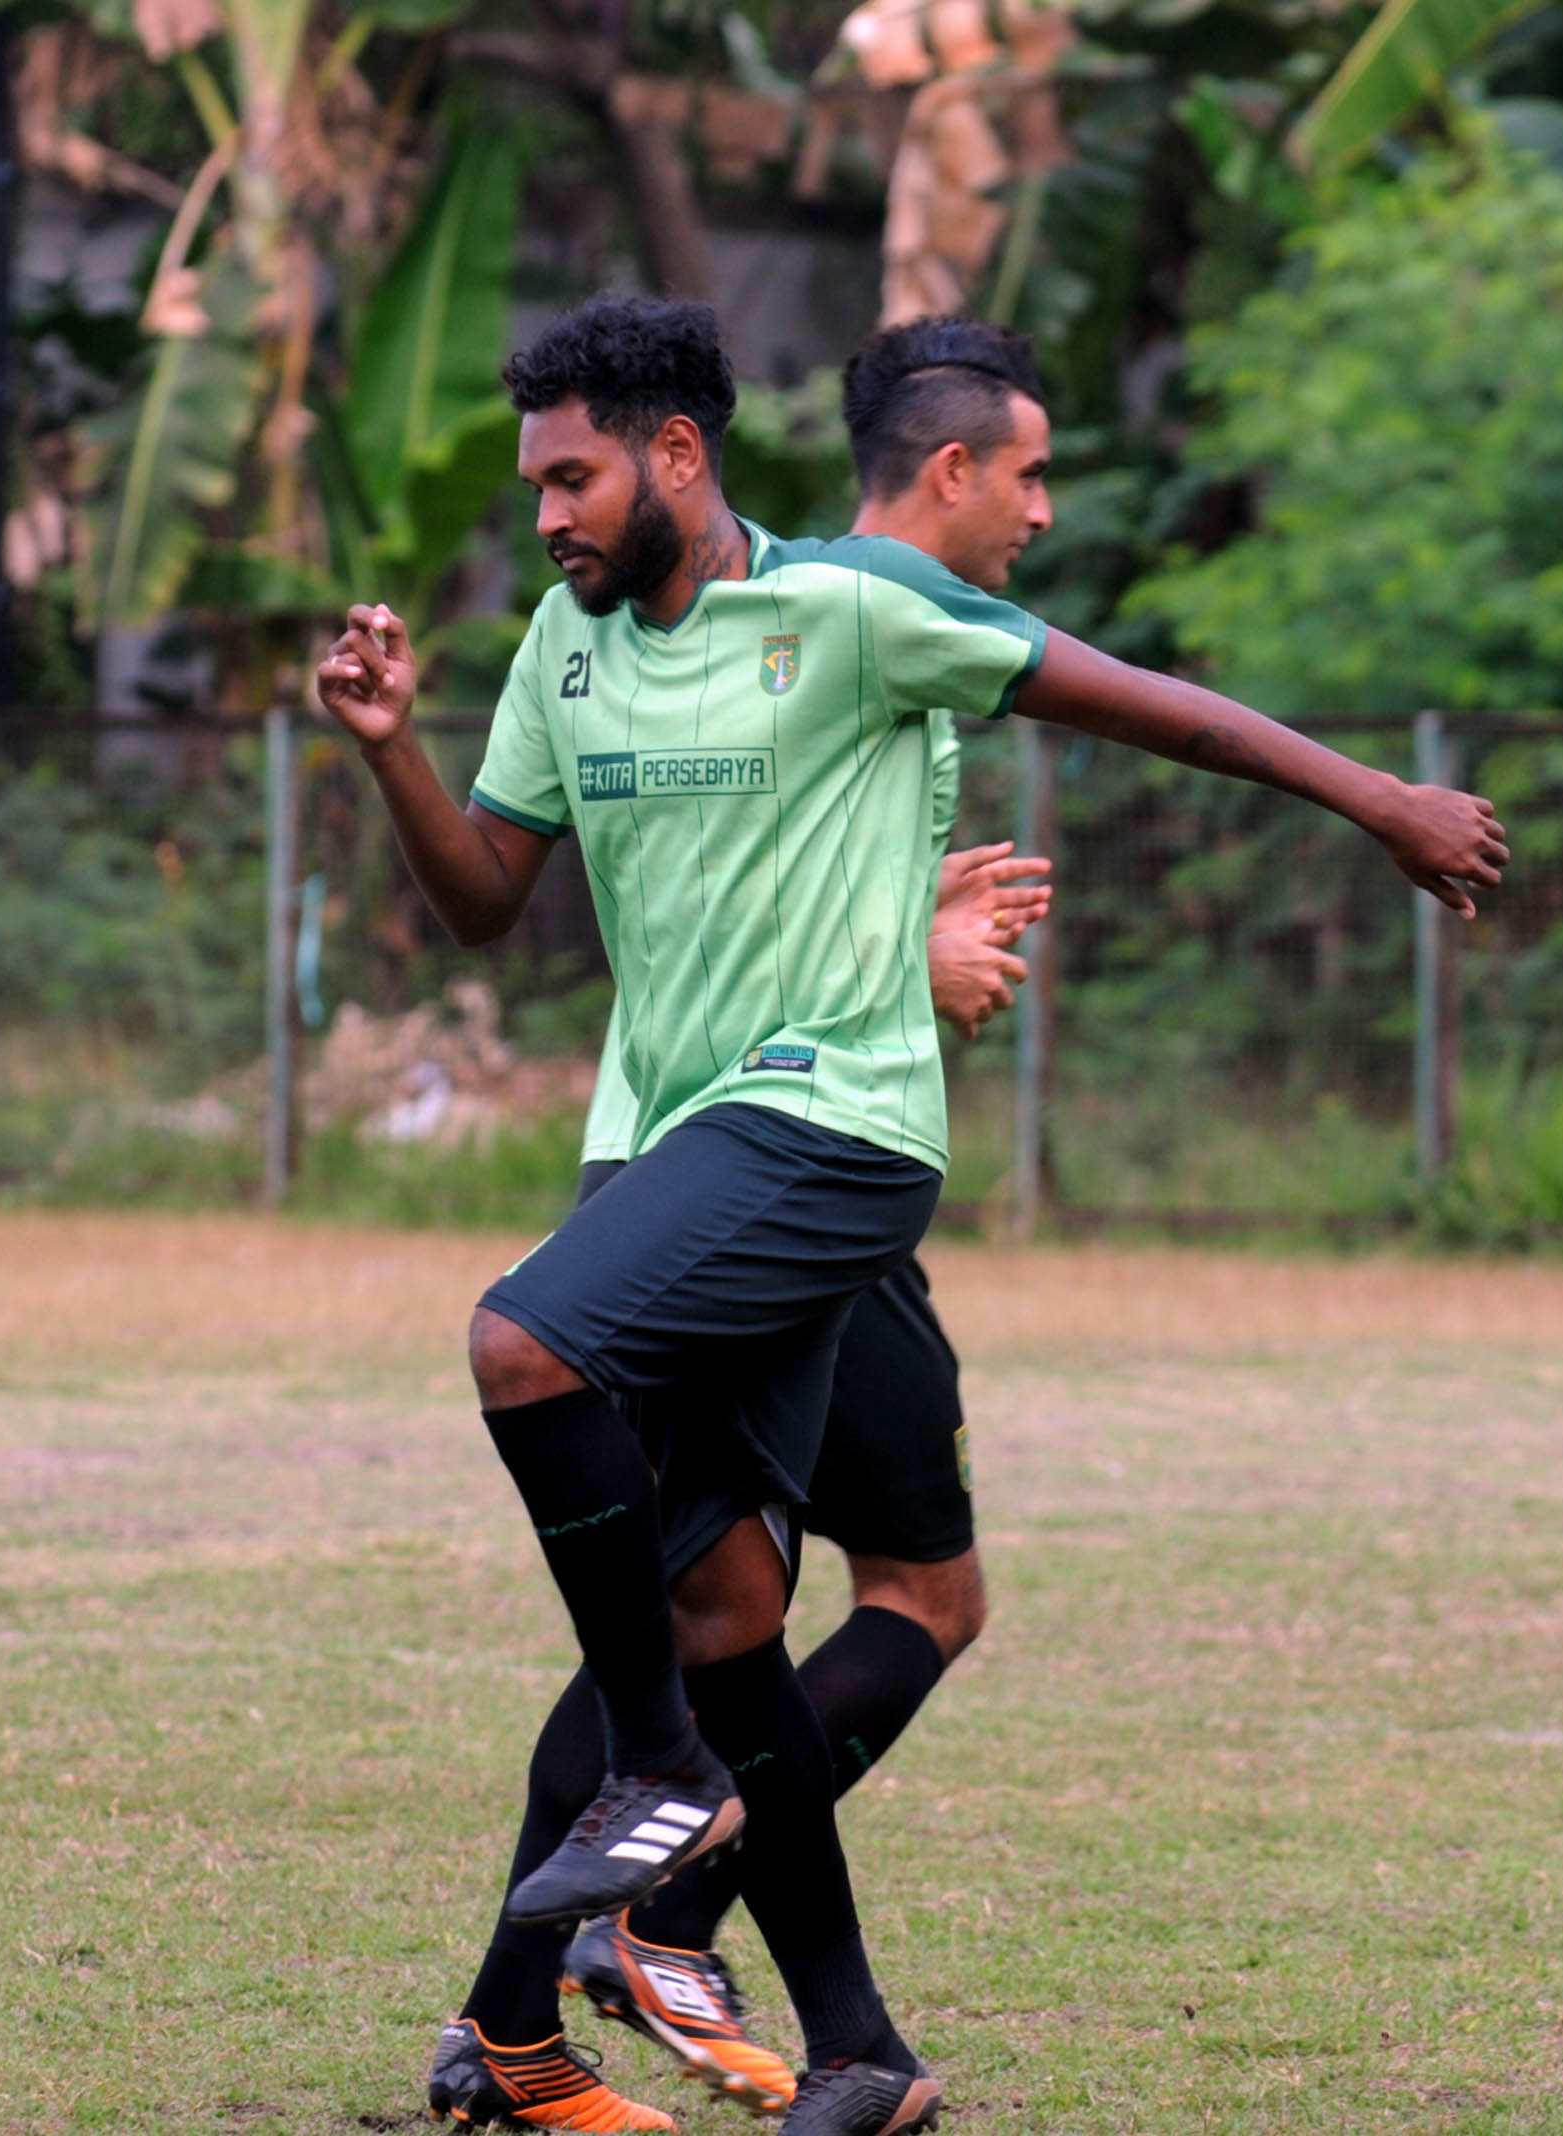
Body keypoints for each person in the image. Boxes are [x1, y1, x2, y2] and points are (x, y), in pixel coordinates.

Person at [315, 294, 1504, 2136]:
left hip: (828, 1126)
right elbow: (483, 902)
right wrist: (392, 746)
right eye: (535, 481)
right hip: (659, 1147)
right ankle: (834, 2054)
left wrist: (1381, 805)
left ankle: (645, 1796)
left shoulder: (854, 613)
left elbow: (1150, 705)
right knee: (723, 1604)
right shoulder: (567, 641)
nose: (546, 516)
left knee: (519, 1344)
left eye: (572, 475)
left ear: (678, 456)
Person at [549, 316, 1063, 2117]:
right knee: (759, 1594)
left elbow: (757, 870)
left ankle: (622, 1962)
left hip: (810, 1159)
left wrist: (906, 925)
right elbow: (697, 902)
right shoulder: (824, 610)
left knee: (811, 1590)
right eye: (1029, 474)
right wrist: (909, 968)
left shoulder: (851, 628)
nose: (1043, 512)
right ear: (950, 471)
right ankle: (624, 1934)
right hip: (769, 1157)